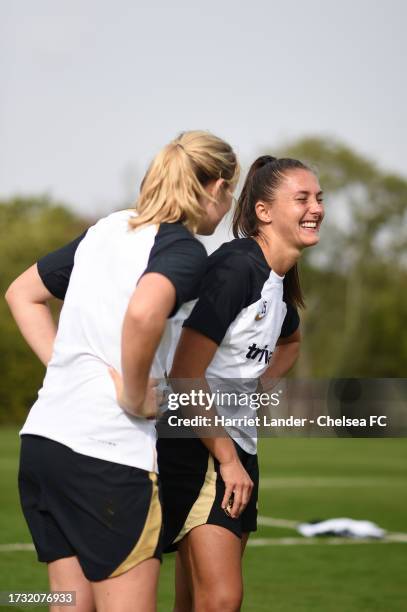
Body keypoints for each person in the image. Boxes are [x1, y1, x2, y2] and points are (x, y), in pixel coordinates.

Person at [5, 130, 240, 612]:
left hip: (44, 447)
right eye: (231, 191)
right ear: (216, 187)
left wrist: (73, 370)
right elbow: (143, 312)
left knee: (69, 604)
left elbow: (20, 294)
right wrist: (134, 396)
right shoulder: (183, 247)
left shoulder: (106, 228)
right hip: (108, 460)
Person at [157, 155, 324, 611]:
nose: (316, 208)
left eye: (319, 198)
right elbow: (183, 373)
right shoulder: (236, 268)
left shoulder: (276, 280)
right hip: (201, 448)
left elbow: (290, 341)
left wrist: (254, 391)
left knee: (199, 602)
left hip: (235, 450)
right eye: (302, 198)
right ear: (264, 212)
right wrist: (227, 459)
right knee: (222, 599)